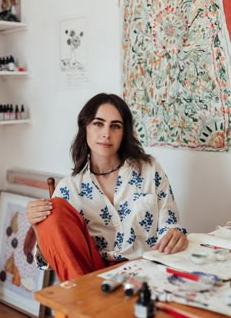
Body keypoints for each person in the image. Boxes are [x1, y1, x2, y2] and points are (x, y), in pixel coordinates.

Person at [27, 93, 188, 282]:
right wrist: (38, 224)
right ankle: (87, 297)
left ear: (124, 132)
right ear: (85, 127)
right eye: (98, 123)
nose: (106, 133)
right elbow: (48, 261)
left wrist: (175, 234)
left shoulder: (149, 170)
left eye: (115, 126)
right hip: (91, 275)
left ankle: (87, 304)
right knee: (54, 210)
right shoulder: (68, 188)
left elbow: (170, 224)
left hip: (146, 270)